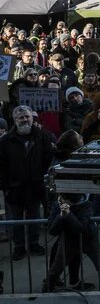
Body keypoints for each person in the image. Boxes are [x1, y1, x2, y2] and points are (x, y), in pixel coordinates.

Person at [0, 105, 53, 259]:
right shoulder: (6, 140)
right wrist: (5, 186)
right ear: (15, 120)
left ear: (31, 117)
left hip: (35, 186)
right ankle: (19, 247)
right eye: (20, 117)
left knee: (34, 218)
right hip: (14, 188)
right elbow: (1, 165)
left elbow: (48, 158)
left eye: (26, 117)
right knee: (15, 220)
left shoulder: (42, 136)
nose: (24, 120)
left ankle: (34, 243)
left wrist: (44, 180)